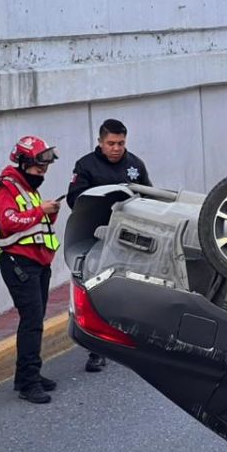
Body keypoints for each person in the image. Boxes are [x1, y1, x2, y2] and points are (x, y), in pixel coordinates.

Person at [67, 118, 152, 373]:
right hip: (98, 237)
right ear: (100, 142)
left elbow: (149, 195)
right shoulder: (86, 166)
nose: (116, 148)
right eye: (111, 143)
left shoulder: (135, 165)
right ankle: (97, 350)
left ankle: (134, 338)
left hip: (128, 237)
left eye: (121, 143)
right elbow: (75, 199)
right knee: (97, 290)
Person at [0, 136, 61, 404]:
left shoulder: (26, 187)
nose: (43, 174)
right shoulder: (7, 188)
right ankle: (28, 384)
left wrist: (49, 212)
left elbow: (31, 225)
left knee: (35, 321)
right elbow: (9, 222)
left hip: (37, 263)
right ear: (24, 163)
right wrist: (41, 210)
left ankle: (28, 376)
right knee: (31, 322)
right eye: (39, 169)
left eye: (45, 170)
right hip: (19, 264)